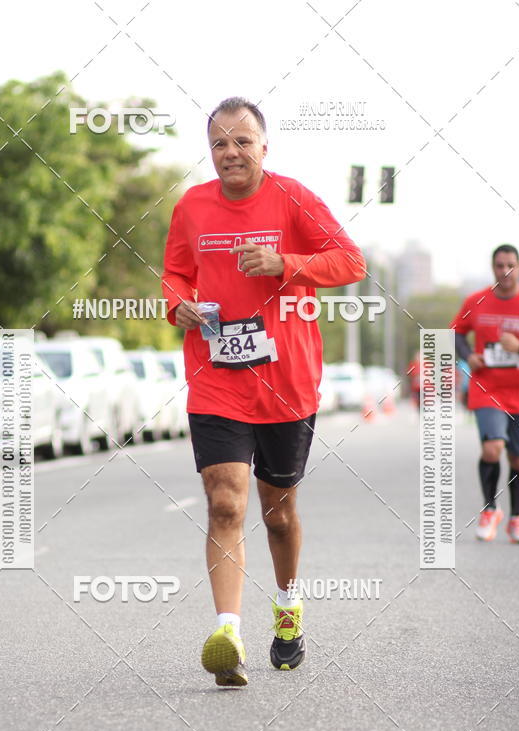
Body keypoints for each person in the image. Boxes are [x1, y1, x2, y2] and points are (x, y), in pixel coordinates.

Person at [162, 96, 366, 686]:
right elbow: (175, 273)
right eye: (219, 143)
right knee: (226, 502)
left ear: (264, 146)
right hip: (216, 377)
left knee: (279, 513)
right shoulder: (192, 206)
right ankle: (228, 632)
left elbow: (350, 262)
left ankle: (287, 607)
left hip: (285, 384)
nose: (230, 152)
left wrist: (284, 263)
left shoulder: (293, 197)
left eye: (242, 141)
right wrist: (177, 305)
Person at [450, 244, 519, 543]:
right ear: (492, 267)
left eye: (510, 265)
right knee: (492, 448)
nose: (505, 271)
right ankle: (490, 510)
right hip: (487, 388)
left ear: (518, 267)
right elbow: (456, 332)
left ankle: (516, 518)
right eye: (499, 265)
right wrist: (468, 355)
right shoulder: (476, 300)